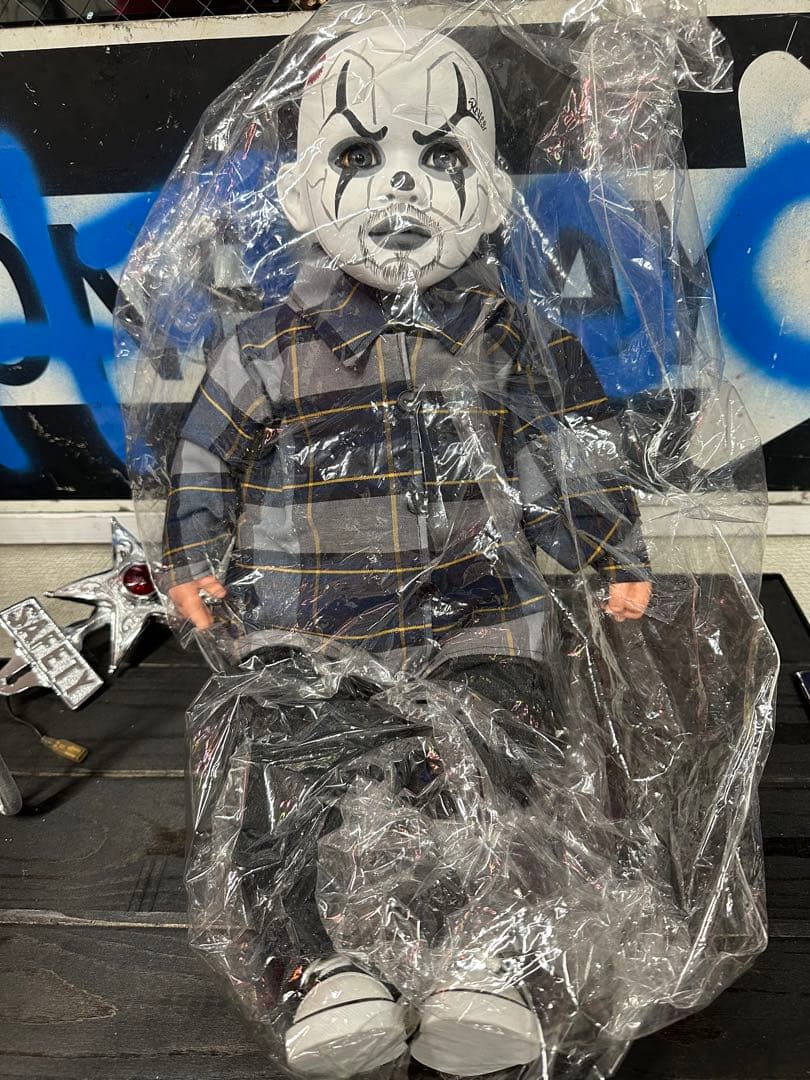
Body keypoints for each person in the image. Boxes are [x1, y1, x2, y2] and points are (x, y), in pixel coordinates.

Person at [161, 25, 652, 1078]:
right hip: (309, 627)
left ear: (491, 194)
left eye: (439, 155)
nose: (400, 186)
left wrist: (610, 548)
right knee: (281, 786)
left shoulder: (511, 337)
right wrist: (196, 557)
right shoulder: (266, 348)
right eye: (357, 153)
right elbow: (206, 455)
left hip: (480, 613)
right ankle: (314, 967)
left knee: (511, 771)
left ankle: (491, 960)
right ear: (301, 193)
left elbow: (568, 450)